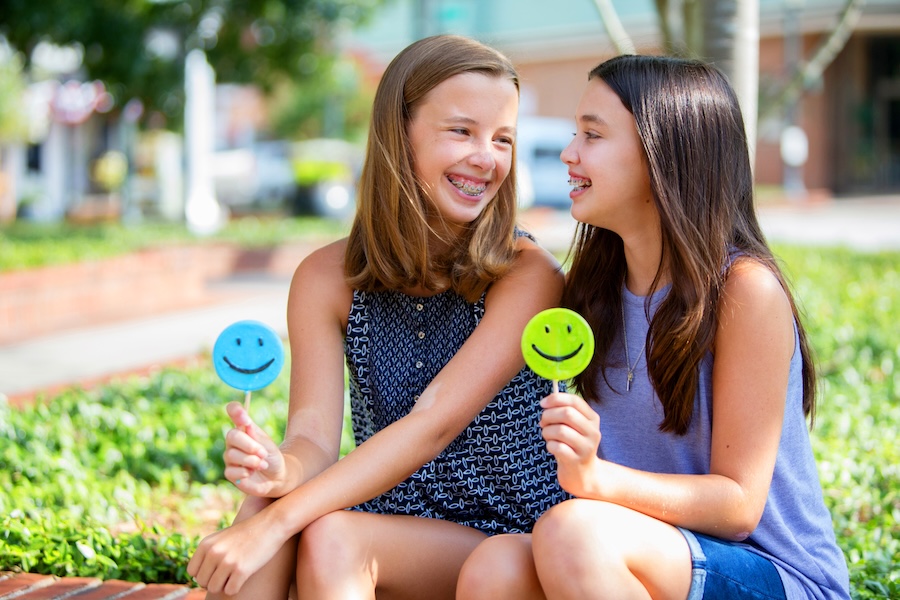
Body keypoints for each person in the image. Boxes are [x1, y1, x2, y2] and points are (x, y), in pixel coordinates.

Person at [187, 34, 569, 599]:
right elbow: (312, 440)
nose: (486, 158)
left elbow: (433, 423)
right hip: (391, 525)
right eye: (461, 131)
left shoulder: (526, 271)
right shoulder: (325, 278)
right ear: (399, 132)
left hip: (504, 534)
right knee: (268, 502)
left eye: (502, 139)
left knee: (316, 533)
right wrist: (279, 470)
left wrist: (275, 524)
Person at [456, 55, 850, 600]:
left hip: (774, 573)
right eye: (575, 134)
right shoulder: (591, 291)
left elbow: (739, 506)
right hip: (643, 553)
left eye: (593, 135)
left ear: (665, 154)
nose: (569, 153)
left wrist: (597, 479)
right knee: (494, 565)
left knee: (572, 531)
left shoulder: (745, 291)